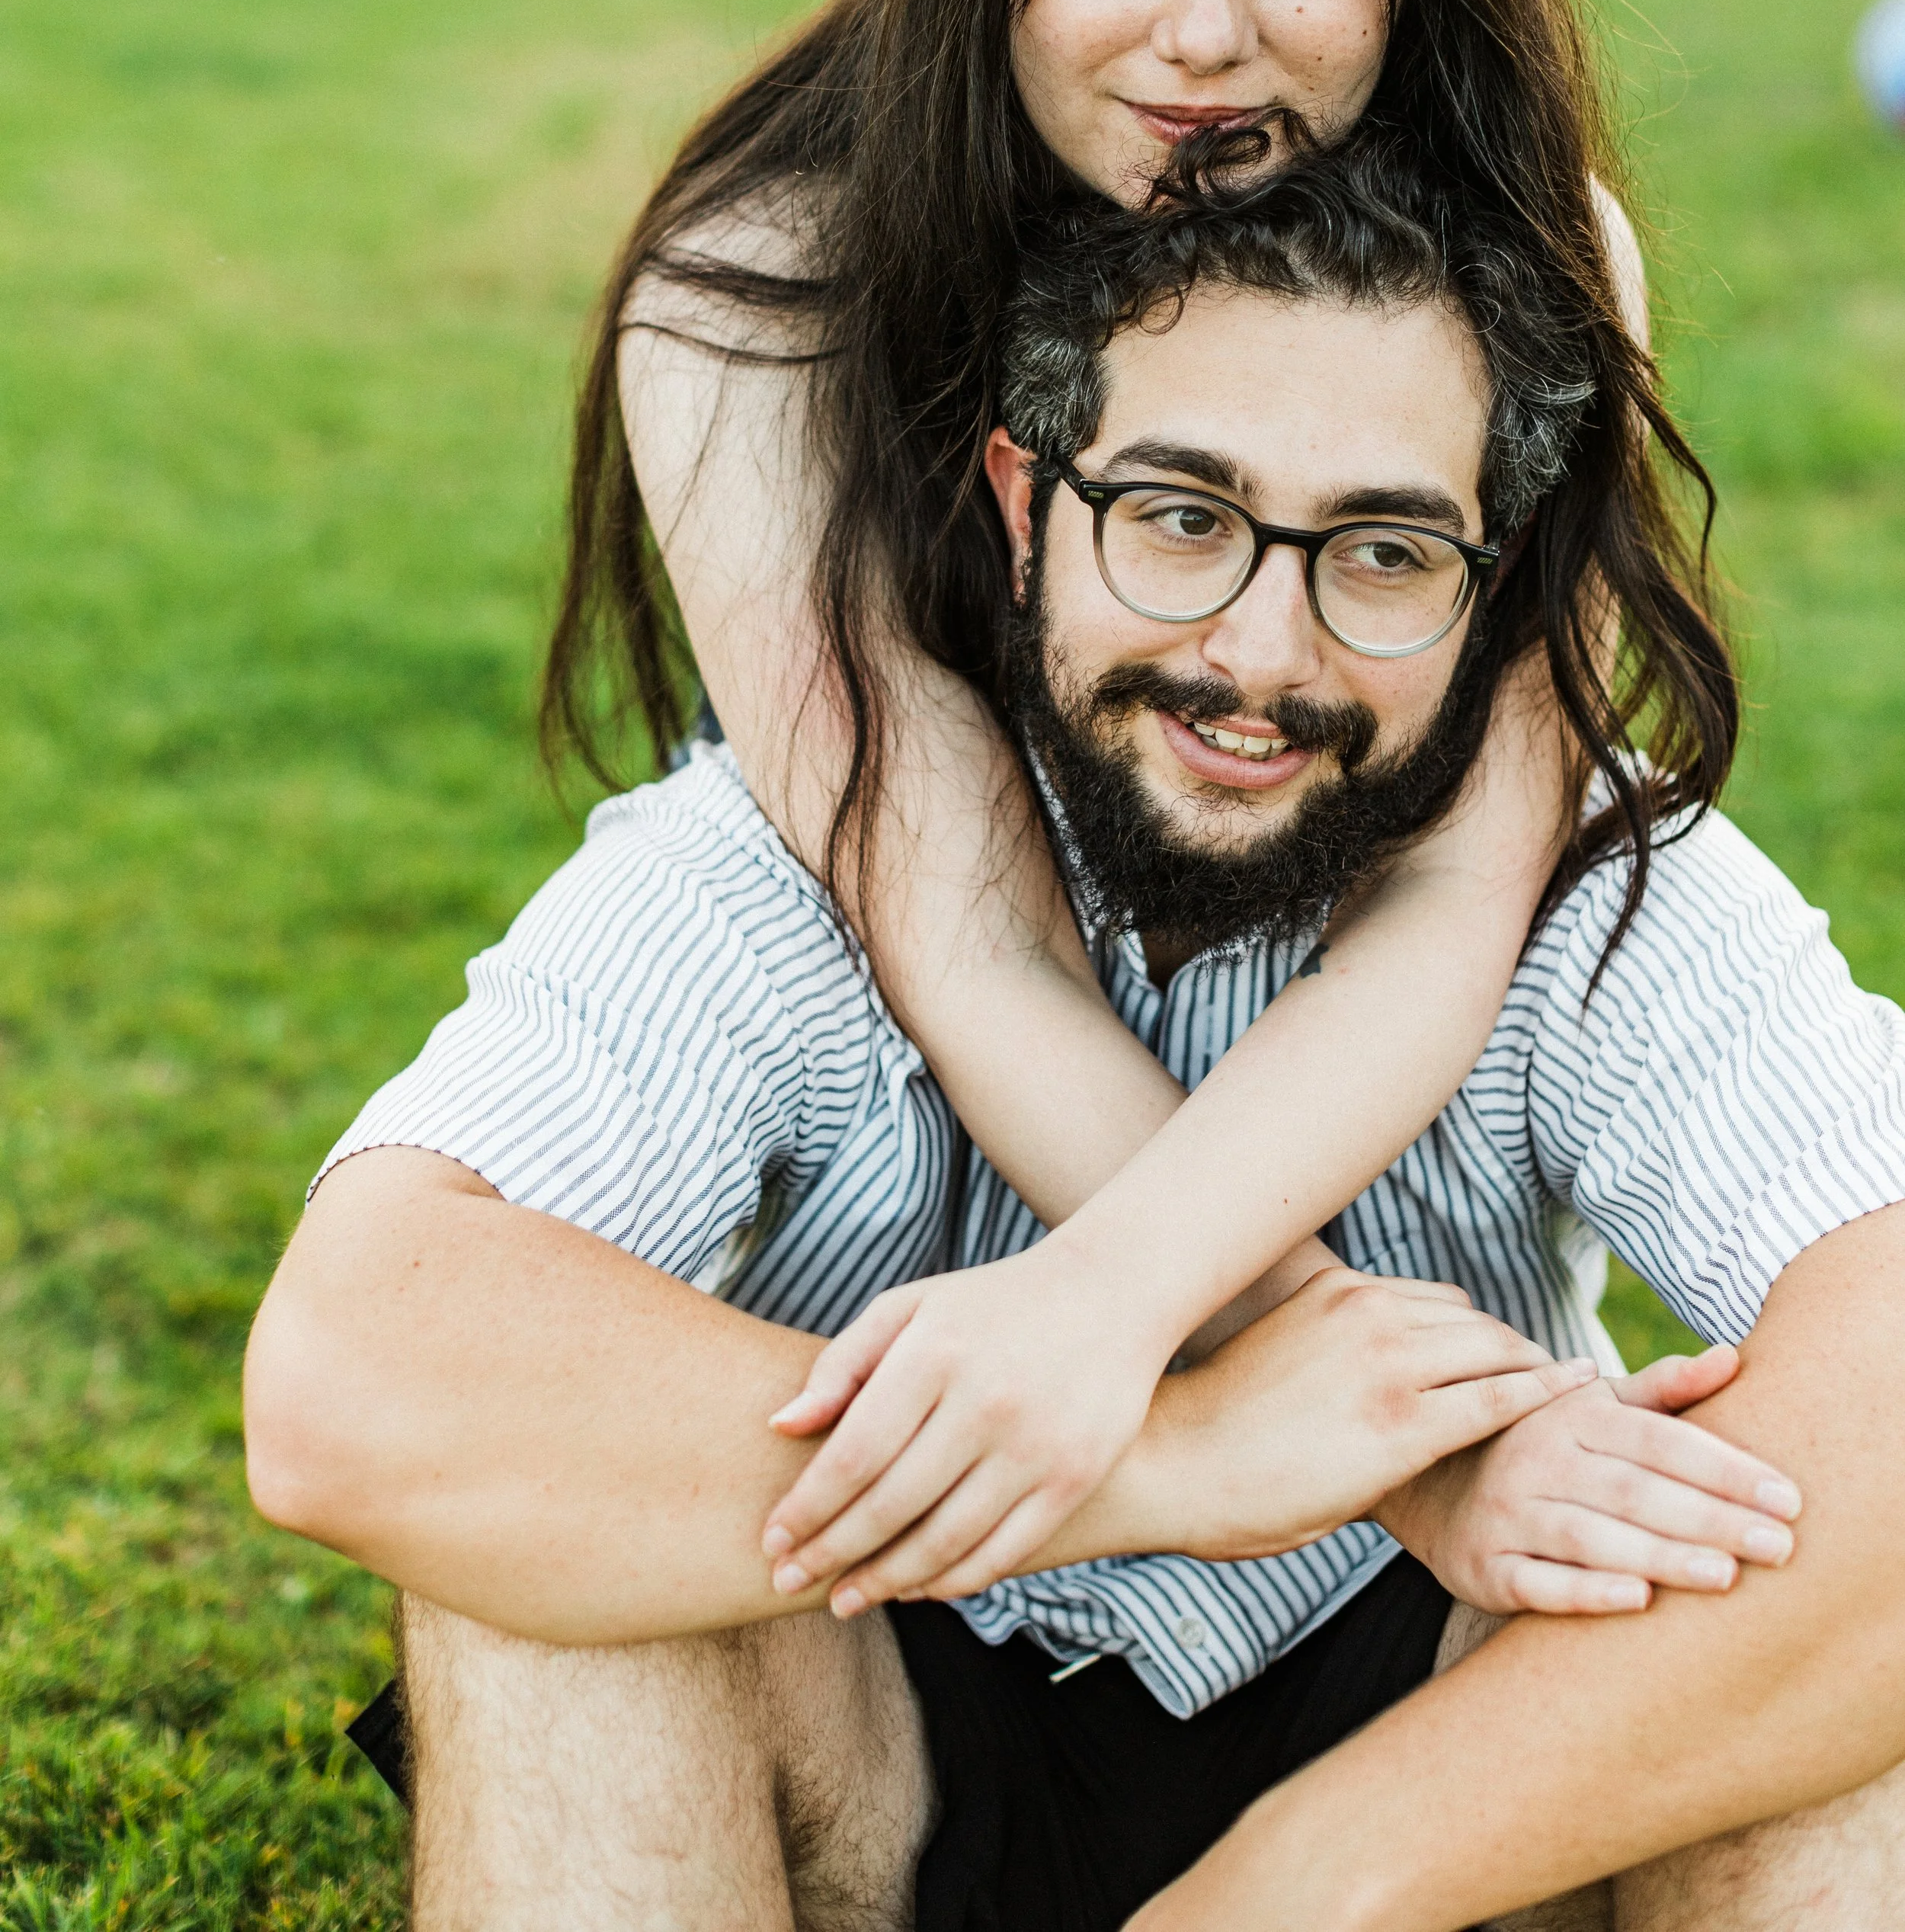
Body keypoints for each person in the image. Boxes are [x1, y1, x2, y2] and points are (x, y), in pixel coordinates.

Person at [245, 146, 1905, 1929]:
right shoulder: (786, 858)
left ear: (1485, 585)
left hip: (1436, 1787)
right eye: (1180, 518)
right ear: (1026, 504)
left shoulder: (1591, 880)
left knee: (1774, 1625)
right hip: (894, 1723)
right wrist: (1171, 1458)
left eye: (1382, 550)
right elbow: (361, 1370)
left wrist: (1287, 1889)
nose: (1258, 654)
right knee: (550, 1546)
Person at [543, 0, 1688, 1606]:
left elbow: (1457, 894)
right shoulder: (750, 289)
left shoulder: (1537, 262)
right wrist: (1207, 1350)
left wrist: (1310, 1371)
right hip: (906, 1269)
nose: (1205, 29)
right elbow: (958, 919)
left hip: (1389, 1190)